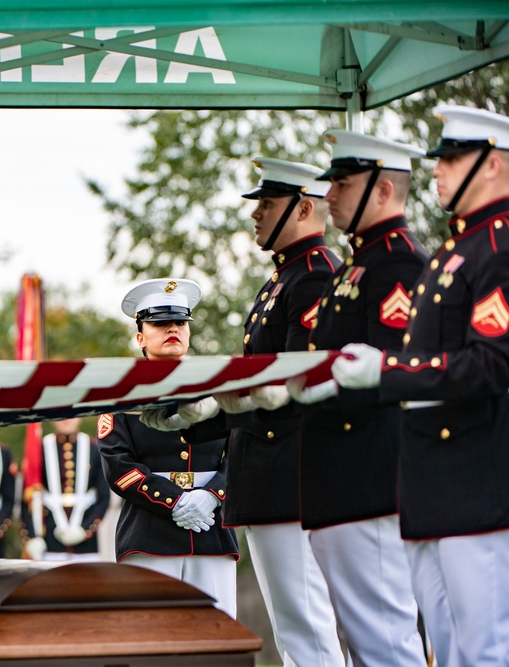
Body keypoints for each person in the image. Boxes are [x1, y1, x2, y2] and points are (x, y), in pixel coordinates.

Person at [331, 105, 509, 667]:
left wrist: (385, 372)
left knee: (485, 650)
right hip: (433, 484)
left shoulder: (499, 251)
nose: (438, 169)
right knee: (451, 651)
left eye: (453, 158)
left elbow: (490, 366)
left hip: (478, 483)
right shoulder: (457, 251)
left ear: (495, 165)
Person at [191, 157, 347, 666]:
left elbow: (290, 392)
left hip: (293, 479)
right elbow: (252, 392)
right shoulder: (283, 280)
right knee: (295, 630)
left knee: (308, 628)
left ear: (305, 208)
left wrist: (217, 408)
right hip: (267, 479)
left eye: (268, 204)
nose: (256, 214)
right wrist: (201, 417)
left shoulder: (315, 277)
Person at [286, 131, 428, 666]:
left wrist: (325, 388)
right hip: (341, 477)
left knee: (386, 640)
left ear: (384, 190)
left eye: (343, 184)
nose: (330, 196)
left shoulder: (398, 264)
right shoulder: (358, 264)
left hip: (371, 473)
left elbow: (394, 371)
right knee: (365, 639)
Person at [98, 279, 239, 616]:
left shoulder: (217, 385)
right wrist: (173, 501)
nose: (172, 329)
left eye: (180, 323)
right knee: (153, 636)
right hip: (149, 533)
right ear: (140, 336)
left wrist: (212, 495)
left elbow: (240, 451)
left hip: (212, 529)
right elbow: (117, 465)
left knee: (217, 636)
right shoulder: (121, 391)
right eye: (160, 323)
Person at [20, 417, 110, 562]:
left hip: (86, 543)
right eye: (61, 414)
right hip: (50, 540)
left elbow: (104, 496)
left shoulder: (95, 449)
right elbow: (28, 498)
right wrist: (32, 537)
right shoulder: (39, 450)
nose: (66, 420)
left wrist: (86, 530)